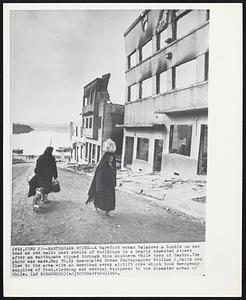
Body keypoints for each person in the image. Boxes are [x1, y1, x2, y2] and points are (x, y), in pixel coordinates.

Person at [86, 139, 116, 217]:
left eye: (112, 158)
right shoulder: (103, 161)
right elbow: (99, 173)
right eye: (110, 158)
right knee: (100, 195)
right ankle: (96, 206)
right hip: (103, 183)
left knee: (110, 197)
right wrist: (99, 184)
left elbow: (114, 171)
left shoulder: (112, 159)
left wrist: (114, 180)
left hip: (110, 183)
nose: (111, 159)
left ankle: (108, 211)